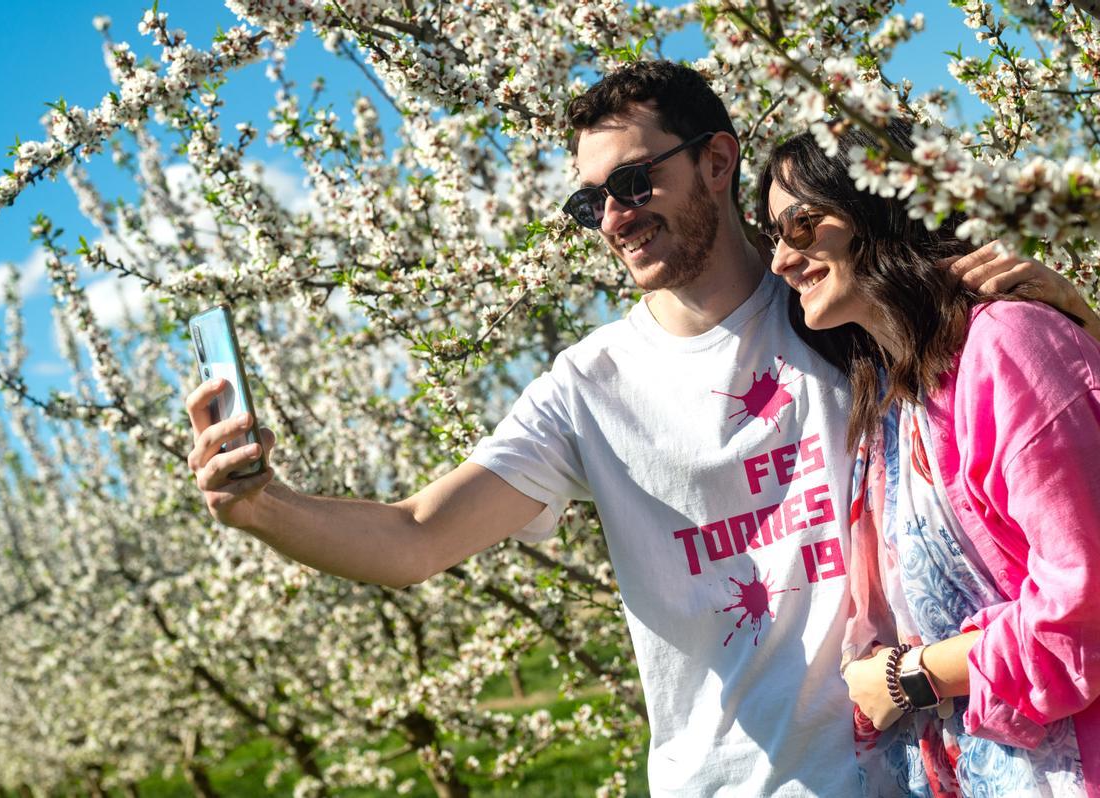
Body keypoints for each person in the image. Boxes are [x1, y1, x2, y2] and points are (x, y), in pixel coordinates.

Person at [186, 61, 1087, 796]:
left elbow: (1043, 441)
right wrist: (261, 506)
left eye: (633, 180)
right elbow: (415, 538)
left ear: (718, 162)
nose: (614, 217)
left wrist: (1071, 315)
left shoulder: (839, 310)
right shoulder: (588, 387)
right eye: (591, 202)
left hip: (912, 773)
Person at [760, 122, 1100, 794]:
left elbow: (1085, 603)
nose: (781, 260)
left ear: (879, 203)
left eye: (801, 225)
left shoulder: (1005, 343)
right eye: (771, 236)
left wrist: (911, 676)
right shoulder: (888, 399)